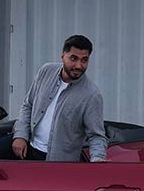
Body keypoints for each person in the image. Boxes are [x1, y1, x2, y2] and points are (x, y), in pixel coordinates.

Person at [12, 35, 107, 163]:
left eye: (84, 60)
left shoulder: (91, 95)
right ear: (63, 56)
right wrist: (20, 136)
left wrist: (98, 159)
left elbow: (96, 136)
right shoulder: (46, 72)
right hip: (28, 151)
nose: (79, 65)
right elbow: (28, 105)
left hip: (58, 165)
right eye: (74, 58)